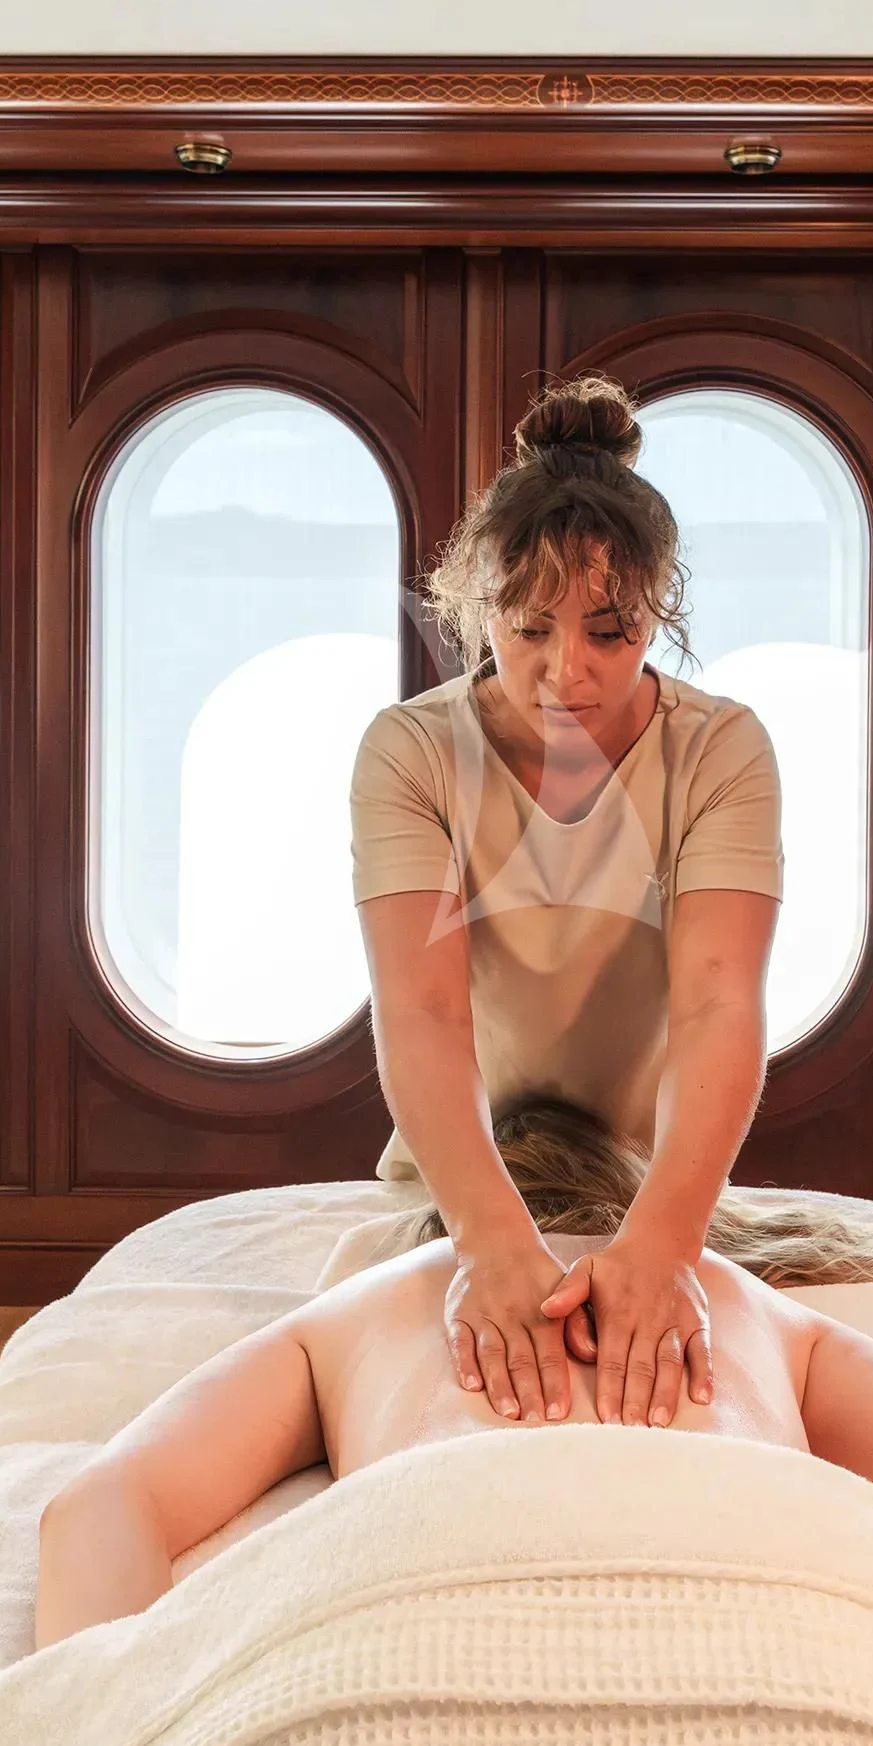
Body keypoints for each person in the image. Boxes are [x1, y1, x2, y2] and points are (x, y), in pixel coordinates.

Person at [35, 1098, 873, 1664]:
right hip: (760, 1588)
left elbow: (104, 1501)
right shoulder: (740, 1300)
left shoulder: (370, 1304)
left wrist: (106, 1728)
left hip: (420, 1582)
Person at [351, 374, 784, 1430]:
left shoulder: (720, 749)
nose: (566, 673)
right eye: (531, 626)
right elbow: (424, 1012)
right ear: (479, 608)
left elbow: (719, 1008)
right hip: (466, 1174)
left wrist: (665, 1241)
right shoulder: (410, 752)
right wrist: (493, 1241)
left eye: (609, 630)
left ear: (658, 618)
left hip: (652, 1177)